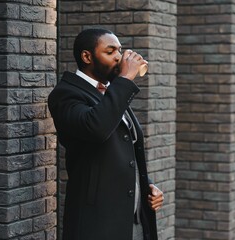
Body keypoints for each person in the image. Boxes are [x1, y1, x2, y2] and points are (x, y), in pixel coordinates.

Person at [48, 28, 164, 240]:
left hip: (135, 220)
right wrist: (126, 79)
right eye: (110, 51)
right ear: (87, 57)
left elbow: (122, 150)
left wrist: (145, 186)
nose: (119, 57)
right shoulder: (66, 94)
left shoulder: (111, 92)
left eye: (119, 50)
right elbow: (96, 128)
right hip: (99, 223)